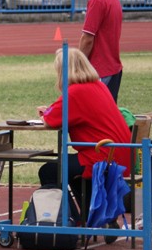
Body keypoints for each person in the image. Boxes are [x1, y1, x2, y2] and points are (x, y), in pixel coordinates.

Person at [37, 48, 131, 224]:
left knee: (49, 171)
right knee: (69, 169)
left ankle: (73, 220)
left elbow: (50, 120)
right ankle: (96, 217)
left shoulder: (75, 92)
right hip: (118, 153)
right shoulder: (99, 86)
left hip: (100, 155)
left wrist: (44, 113)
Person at [79, 0, 123, 102]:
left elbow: (87, 38)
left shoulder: (97, 0)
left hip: (100, 71)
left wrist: (78, 65)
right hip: (113, 69)